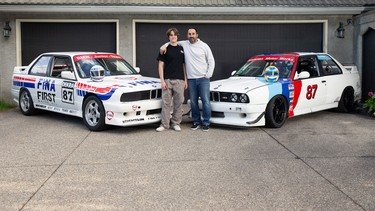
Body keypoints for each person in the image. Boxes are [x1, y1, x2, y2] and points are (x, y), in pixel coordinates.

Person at [160, 28, 215, 132]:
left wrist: (208, 74)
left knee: (205, 101)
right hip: (191, 79)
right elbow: (172, 41)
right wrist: (164, 45)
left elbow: (211, 60)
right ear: (187, 35)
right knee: (193, 102)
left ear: (197, 34)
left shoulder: (204, 46)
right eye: (189, 34)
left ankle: (206, 122)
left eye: (193, 34)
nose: (191, 36)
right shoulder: (184, 44)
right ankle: (196, 122)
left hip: (203, 78)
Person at [156, 28, 188, 132]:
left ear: (177, 36)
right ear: (169, 37)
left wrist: (185, 80)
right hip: (167, 80)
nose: (173, 36)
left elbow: (183, 66)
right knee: (166, 104)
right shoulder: (164, 49)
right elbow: (160, 65)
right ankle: (164, 125)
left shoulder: (181, 49)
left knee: (178, 103)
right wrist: (162, 81)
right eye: (171, 35)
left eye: (174, 35)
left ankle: (175, 123)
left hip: (179, 80)